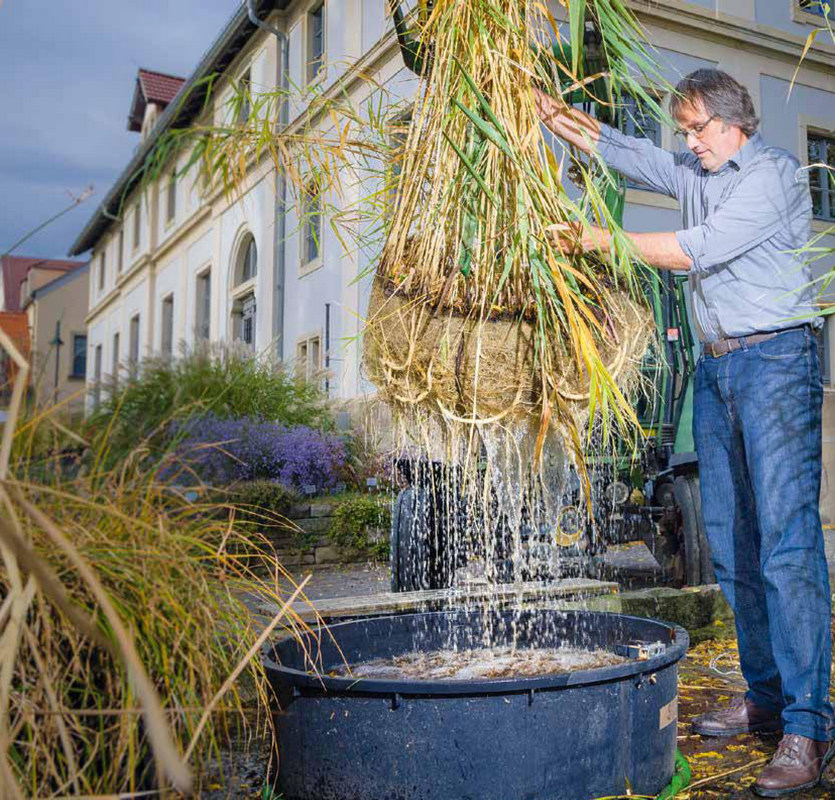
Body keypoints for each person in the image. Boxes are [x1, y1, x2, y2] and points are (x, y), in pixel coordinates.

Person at [535, 68, 834, 797]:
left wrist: (595, 240)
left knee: (787, 546)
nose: (687, 143)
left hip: (774, 362)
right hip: (716, 368)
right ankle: (763, 695)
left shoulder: (773, 177)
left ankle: (809, 726)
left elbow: (689, 249)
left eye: (695, 129)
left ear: (731, 122)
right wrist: (543, 109)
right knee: (732, 548)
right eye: (684, 131)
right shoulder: (693, 165)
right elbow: (623, 149)